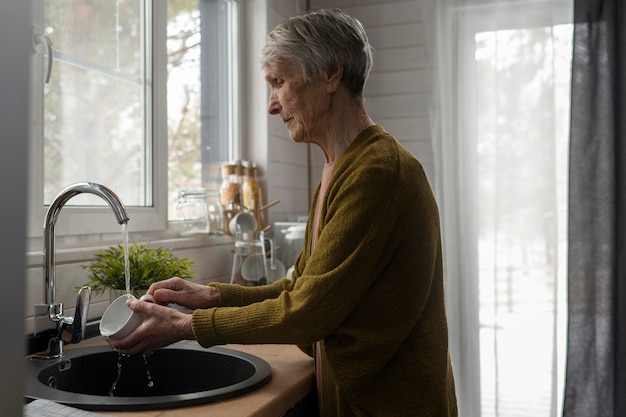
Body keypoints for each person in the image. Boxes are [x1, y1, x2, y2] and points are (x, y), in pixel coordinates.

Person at [111, 9, 458, 416]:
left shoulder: (377, 173)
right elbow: (304, 291)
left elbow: (307, 314)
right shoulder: (340, 167)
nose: (272, 106)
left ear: (330, 74)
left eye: (279, 82)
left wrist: (186, 326)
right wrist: (212, 296)